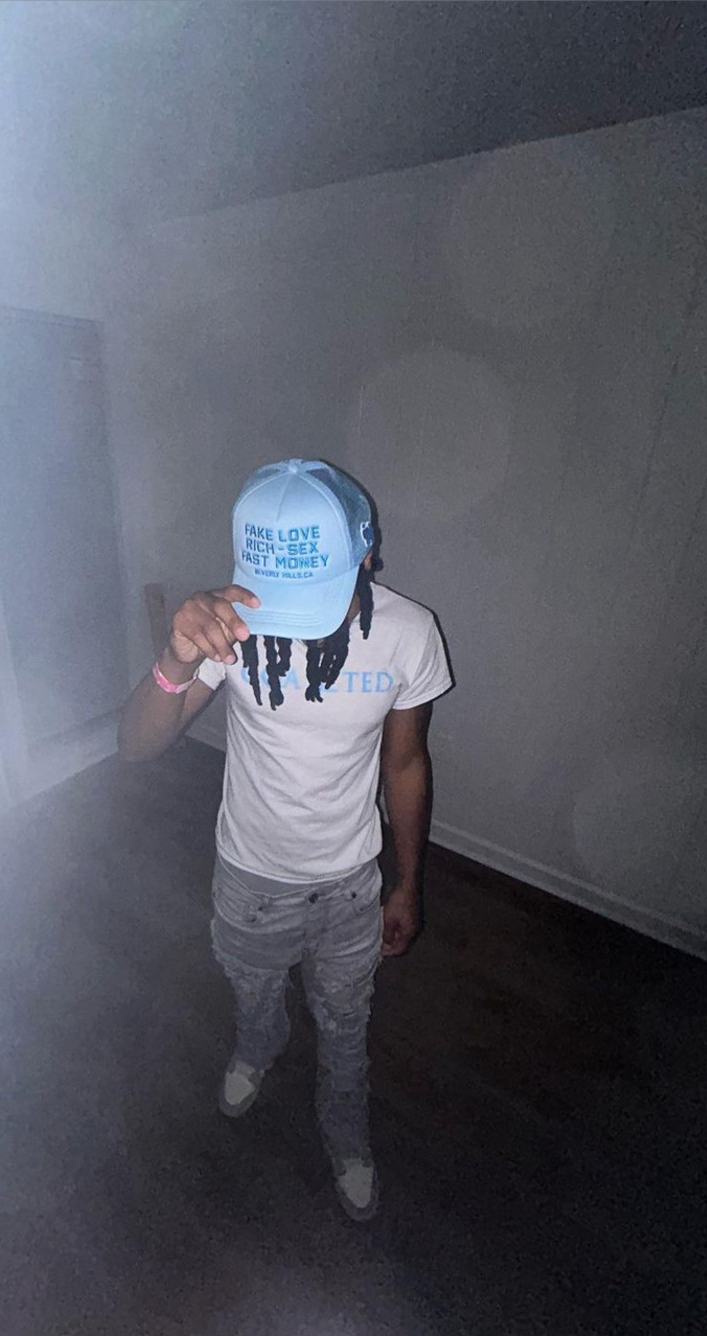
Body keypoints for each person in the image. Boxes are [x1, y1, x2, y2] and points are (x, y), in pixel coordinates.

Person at [117, 459, 452, 1221]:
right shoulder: (229, 623)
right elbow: (137, 746)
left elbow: (405, 762)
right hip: (250, 876)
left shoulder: (408, 633)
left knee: (345, 1022)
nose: (296, 617)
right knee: (254, 993)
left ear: (367, 551)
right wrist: (176, 658)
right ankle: (257, 1045)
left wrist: (408, 882)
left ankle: (344, 1125)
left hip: (349, 884)